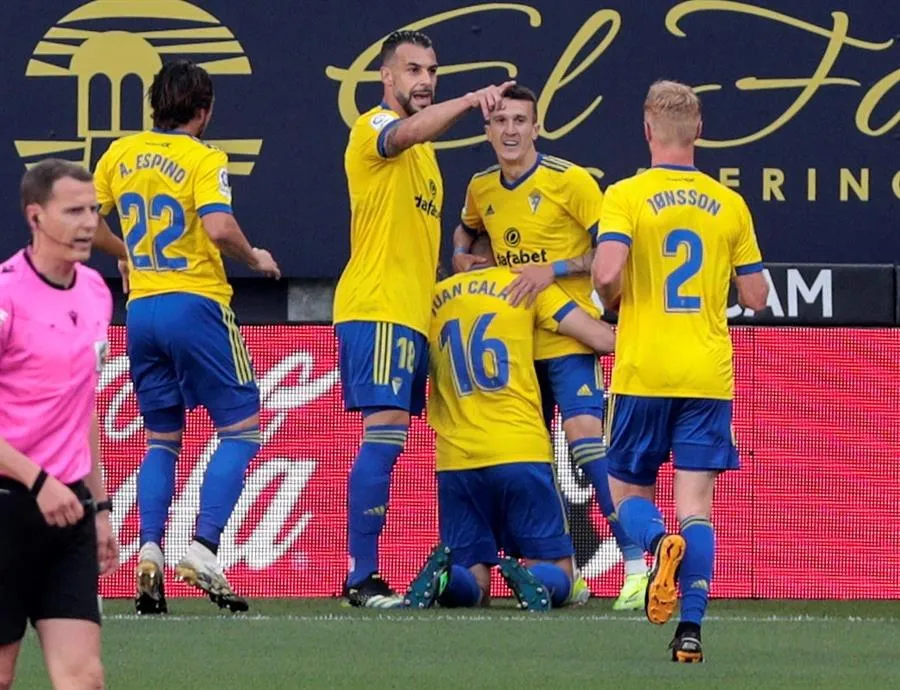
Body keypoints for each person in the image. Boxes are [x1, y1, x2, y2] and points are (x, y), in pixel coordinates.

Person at [333, 28, 515, 608]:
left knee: (393, 437)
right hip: (377, 305)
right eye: (413, 70)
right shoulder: (373, 128)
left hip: (413, 315)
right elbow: (405, 131)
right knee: (382, 436)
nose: (425, 81)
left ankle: (370, 574)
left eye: (432, 71)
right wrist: (465, 102)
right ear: (387, 77)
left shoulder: (429, 162)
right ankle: (361, 576)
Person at [93, 59, 281, 615]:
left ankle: (149, 550)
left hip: (143, 309)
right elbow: (219, 227)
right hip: (196, 304)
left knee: (162, 440)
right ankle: (202, 548)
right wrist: (255, 257)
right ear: (205, 111)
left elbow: (88, 218)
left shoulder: (119, 154)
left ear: (154, 106)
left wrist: (127, 253)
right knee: (243, 429)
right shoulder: (204, 157)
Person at [449, 85, 647, 609]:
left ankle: (635, 566)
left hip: (566, 333)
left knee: (587, 441)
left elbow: (611, 252)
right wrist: (469, 265)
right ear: (487, 130)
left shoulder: (571, 181)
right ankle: (559, 572)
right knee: (528, 464)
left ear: (536, 128)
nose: (510, 130)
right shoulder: (481, 187)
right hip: (512, 347)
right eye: (501, 121)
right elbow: (463, 241)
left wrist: (553, 270)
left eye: (521, 121)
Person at [592, 80, 769, 662]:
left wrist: (618, 296)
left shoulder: (625, 195)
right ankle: (689, 632)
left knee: (624, 491)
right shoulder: (730, 204)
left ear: (647, 131)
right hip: (706, 373)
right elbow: (757, 294)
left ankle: (654, 541)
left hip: (644, 370)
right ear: (699, 130)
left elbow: (604, 272)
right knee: (697, 505)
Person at [403, 235, 616, 611]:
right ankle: (536, 582)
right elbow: (600, 339)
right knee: (560, 573)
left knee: (476, 586)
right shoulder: (525, 284)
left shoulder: (432, 297)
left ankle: (449, 581)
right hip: (519, 449)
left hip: (456, 459)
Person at [0, 159, 119, 689]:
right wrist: (37, 480)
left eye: (93, 209)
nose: (88, 222)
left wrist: (100, 508)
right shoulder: (5, 295)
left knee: (84, 678)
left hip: (67, 512)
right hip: (8, 506)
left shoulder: (96, 292)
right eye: (73, 211)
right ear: (36, 217)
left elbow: (83, 407)